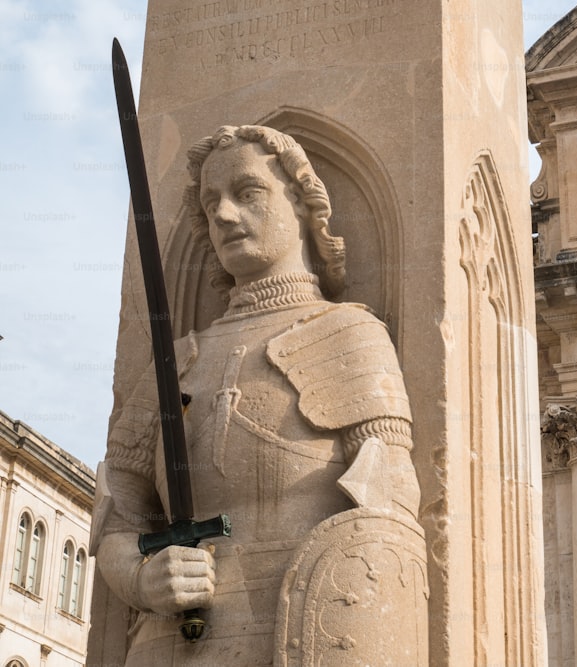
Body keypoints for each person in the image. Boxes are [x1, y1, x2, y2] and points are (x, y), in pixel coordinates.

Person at [93, 126, 425, 665]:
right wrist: (141, 575)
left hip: (297, 635)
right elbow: (118, 511)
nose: (222, 215)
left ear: (301, 204)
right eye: (210, 202)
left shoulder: (349, 334)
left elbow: (385, 523)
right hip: (169, 643)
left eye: (247, 193)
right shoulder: (175, 362)